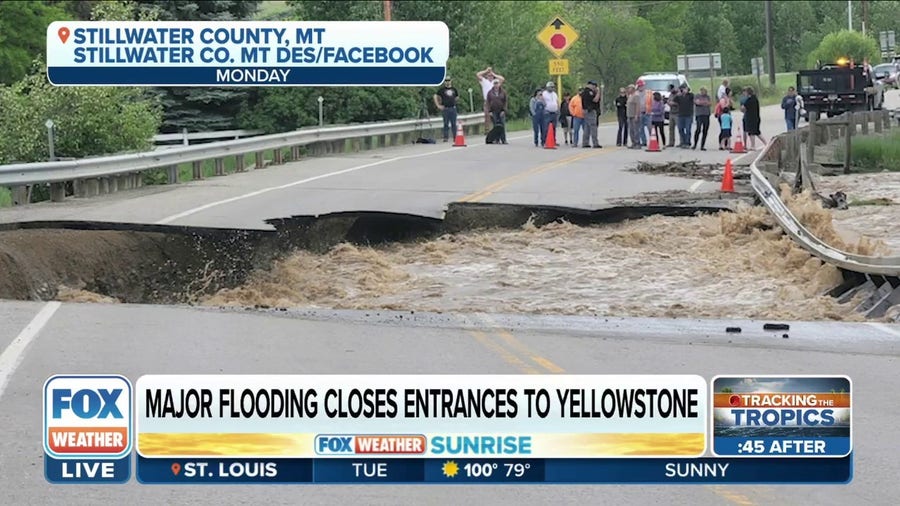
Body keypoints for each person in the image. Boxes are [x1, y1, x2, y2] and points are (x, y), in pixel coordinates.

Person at [433, 76, 459, 142]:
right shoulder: (442, 90)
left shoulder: (454, 89)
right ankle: (445, 137)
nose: (447, 82)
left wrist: (454, 103)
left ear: (451, 81)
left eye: (449, 80)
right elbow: (435, 96)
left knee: (454, 124)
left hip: (453, 108)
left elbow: (456, 98)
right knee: (446, 124)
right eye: (446, 81)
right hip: (445, 108)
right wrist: (438, 105)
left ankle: (455, 137)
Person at [580, 80, 602, 148]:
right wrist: (598, 92)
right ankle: (595, 143)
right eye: (594, 86)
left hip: (585, 110)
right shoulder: (589, 92)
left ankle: (585, 142)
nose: (594, 87)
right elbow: (595, 100)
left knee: (587, 127)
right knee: (593, 127)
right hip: (591, 111)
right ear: (591, 85)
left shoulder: (584, 92)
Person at [542, 81, 560, 146]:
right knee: (546, 128)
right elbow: (541, 100)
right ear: (547, 87)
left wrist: (558, 108)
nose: (552, 88)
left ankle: (553, 141)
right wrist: (544, 105)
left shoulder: (554, 94)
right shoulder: (544, 93)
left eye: (553, 87)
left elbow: (557, 101)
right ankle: (544, 141)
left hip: (554, 112)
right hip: (547, 112)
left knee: (554, 128)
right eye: (551, 87)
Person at [626, 84, 642, 149]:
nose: (628, 89)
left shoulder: (636, 96)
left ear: (632, 89)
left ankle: (637, 143)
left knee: (636, 130)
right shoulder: (630, 96)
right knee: (631, 130)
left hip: (634, 115)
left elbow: (638, 105)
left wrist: (636, 115)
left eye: (629, 88)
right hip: (629, 115)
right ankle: (633, 143)